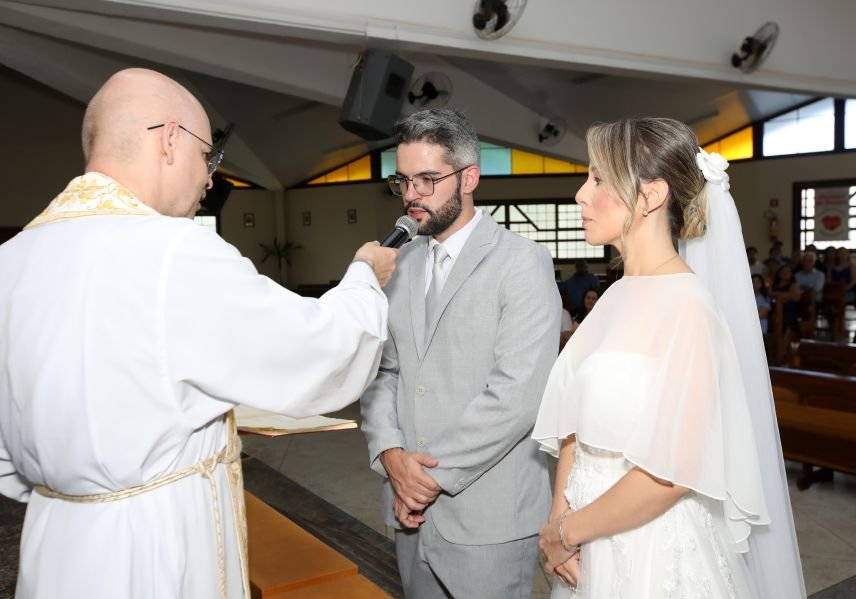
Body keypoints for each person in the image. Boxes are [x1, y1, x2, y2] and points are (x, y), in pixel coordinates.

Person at [0, 68, 399, 599]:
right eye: (206, 157)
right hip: (153, 554)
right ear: (169, 139)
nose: (210, 179)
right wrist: (365, 279)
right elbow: (318, 350)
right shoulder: (172, 251)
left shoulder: (14, 258)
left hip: (57, 542)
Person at [532, 118, 805, 598]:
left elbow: (670, 475)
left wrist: (564, 534)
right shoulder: (614, 296)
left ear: (651, 195)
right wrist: (559, 518)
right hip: (585, 536)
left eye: (598, 178)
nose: (580, 194)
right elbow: (572, 424)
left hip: (649, 550)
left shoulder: (689, 310)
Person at [360, 109, 560, 599]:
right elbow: (382, 372)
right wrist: (391, 456)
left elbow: (517, 394)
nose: (412, 196)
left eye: (428, 179)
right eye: (404, 181)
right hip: (409, 509)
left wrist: (426, 477)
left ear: (469, 177)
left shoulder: (521, 261)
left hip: (486, 516)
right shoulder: (399, 263)